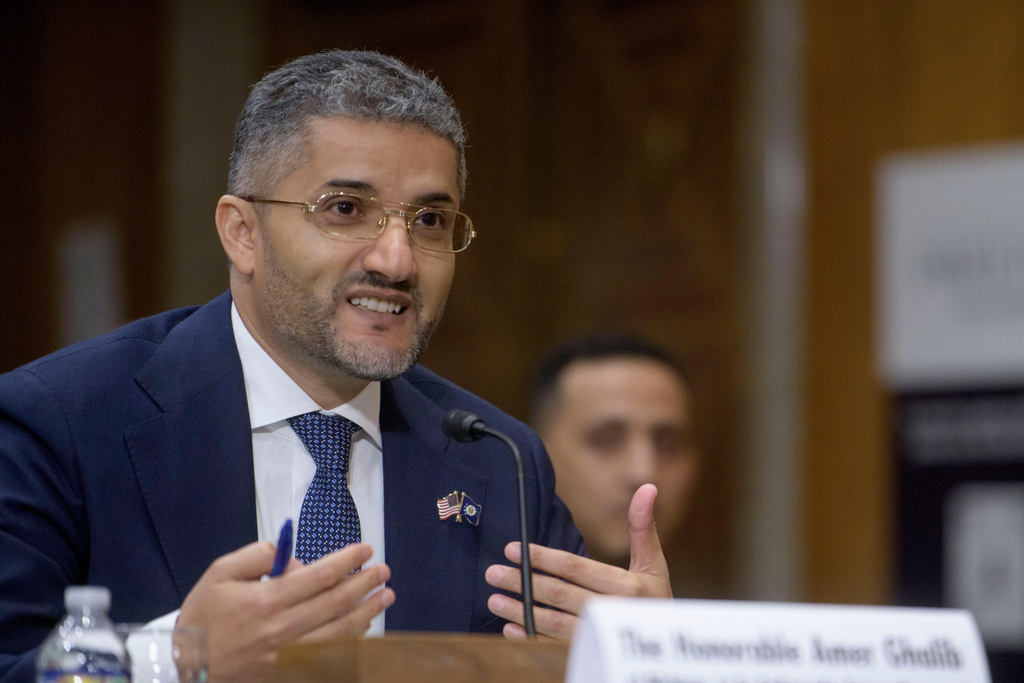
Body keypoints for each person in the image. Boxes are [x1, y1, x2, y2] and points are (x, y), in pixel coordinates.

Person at [0, 51, 670, 683]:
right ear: (242, 232)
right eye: (347, 209)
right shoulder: (62, 422)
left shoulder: (498, 462)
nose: (398, 259)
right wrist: (174, 658)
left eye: (431, 220)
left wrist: (646, 659)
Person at [530, 332, 697, 569]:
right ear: (538, 455)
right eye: (606, 440)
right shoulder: (485, 600)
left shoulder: (716, 605)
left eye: (668, 445)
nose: (644, 473)